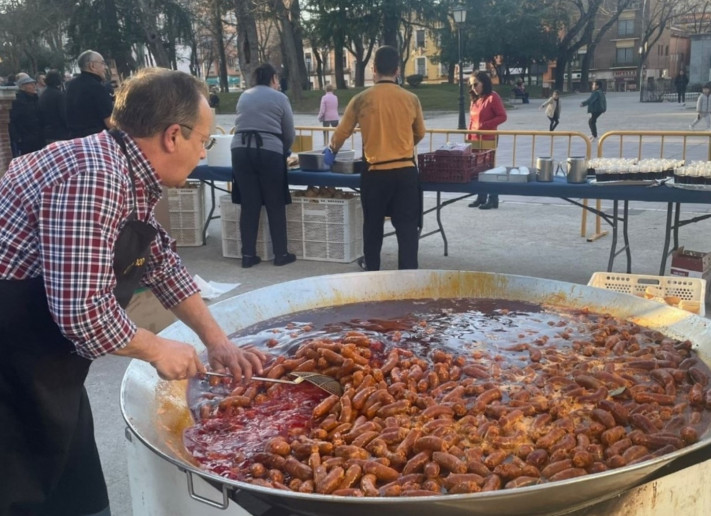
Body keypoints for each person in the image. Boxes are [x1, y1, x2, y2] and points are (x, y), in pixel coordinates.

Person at [0, 67, 267, 516]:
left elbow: (162, 265)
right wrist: (157, 348)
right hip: (10, 376)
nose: (204, 152)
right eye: (203, 140)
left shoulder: (128, 172)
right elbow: (82, 313)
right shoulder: (96, 176)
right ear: (173, 136)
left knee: (81, 499)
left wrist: (217, 341)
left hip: (51, 373)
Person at [324, 45, 425, 272]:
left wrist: (331, 151)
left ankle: (372, 271)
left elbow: (342, 132)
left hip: (375, 173)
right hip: (406, 172)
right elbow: (420, 132)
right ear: (397, 70)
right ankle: (409, 275)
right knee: (407, 228)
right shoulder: (411, 99)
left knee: (372, 226)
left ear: (374, 69)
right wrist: (403, 145)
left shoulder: (361, 99)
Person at [231, 63, 297, 268]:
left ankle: (247, 255)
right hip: (269, 152)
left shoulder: (244, 96)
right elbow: (289, 133)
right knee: (275, 203)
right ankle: (280, 254)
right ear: (274, 78)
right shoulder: (280, 98)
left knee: (249, 204)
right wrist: (283, 150)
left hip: (240, 150)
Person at [467, 71, 507, 209]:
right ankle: (481, 197)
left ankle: (493, 198)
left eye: (476, 84)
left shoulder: (492, 97)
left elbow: (502, 116)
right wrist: (468, 135)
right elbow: (472, 120)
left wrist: (485, 125)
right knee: (477, 168)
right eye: (471, 85)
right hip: (475, 139)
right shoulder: (475, 99)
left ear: (484, 82)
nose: (473, 88)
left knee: (489, 168)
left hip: (488, 138)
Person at [65, 49, 114, 137]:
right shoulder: (96, 87)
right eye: (102, 63)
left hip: (76, 139)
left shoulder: (71, 85)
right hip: (96, 139)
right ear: (92, 66)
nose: (105, 67)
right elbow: (110, 122)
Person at [9, 75, 43, 156]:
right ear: (22, 87)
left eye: (34, 84)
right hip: (26, 137)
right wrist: (18, 138)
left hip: (38, 135)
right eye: (30, 84)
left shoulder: (35, 98)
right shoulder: (18, 101)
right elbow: (12, 120)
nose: (34, 86)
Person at [38, 69, 70, 145]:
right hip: (60, 133)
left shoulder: (43, 94)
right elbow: (64, 114)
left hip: (47, 133)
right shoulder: (59, 95)